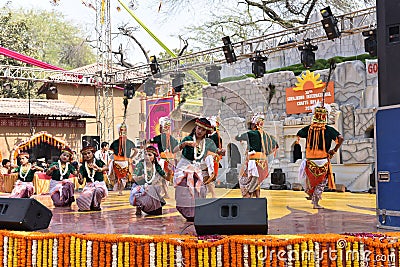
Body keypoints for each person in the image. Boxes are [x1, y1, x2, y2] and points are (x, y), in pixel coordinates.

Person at [173, 117, 225, 221]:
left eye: (203, 130)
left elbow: (216, 151)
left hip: (197, 168)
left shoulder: (208, 142)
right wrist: (185, 144)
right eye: (198, 128)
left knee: (199, 190)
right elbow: (174, 150)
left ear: (206, 131)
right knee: (185, 190)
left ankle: (196, 213)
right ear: (195, 127)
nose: (200, 131)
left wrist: (221, 152)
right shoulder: (188, 139)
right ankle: (187, 212)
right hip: (184, 167)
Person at [297, 103, 344, 209]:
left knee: (310, 181)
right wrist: (334, 150)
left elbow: (299, 133)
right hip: (322, 161)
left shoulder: (308, 129)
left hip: (310, 161)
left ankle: (311, 196)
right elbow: (341, 138)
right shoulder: (328, 129)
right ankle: (315, 202)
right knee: (321, 183)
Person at [235, 113, 279, 198]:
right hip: (263, 162)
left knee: (243, 179)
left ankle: (248, 194)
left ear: (254, 124)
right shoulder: (267, 136)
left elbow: (237, 137)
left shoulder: (251, 133)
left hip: (253, 161)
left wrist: (242, 138)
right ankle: (257, 198)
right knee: (256, 181)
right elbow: (276, 145)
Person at [129, 146, 169, 216]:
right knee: (144, 189)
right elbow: (132, 179)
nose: (147, 156)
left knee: (157, 212)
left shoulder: (156, 166)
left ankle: (150, 206)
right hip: (140, 188)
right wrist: (141, 177)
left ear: (154, 157)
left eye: (149, 155)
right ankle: (139, 205)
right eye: (145, 154)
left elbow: (167, 178)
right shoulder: (140, 165)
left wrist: (170, 172)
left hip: (151, 188)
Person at [149, 116, 179, 198]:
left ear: (161, 128)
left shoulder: (159, 137)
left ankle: (155, 193)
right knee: (165, 178)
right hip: (170, 161)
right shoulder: (173, 139)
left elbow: (149, 141)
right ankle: (166, 193)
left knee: (157, 177)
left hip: (162, 160)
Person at [76, 146, 109, 211]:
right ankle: (89, 204)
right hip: (89, 186)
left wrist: (100, 169)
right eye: (85, 154)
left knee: (98, 190)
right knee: (82, 200)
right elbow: (81, 182)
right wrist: (79, 178)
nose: (87, 155)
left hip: (99, 184)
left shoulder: (98, 162)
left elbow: (107, 167)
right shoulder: (82, 166)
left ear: (93, 153)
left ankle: (96, 205)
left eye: (89, 153)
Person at [110, 122, 137, 195]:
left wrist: (130, 158)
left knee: (122, 177)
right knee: (120, 177)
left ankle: (120, 190)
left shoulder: (117, 142)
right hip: (119, 162)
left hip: (123, 162)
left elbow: (136, 151)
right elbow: (136, 151)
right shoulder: (117, 142)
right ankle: (119, 190)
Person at [205, 115, 225, 198]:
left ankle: (213, 194)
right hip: (207, 158)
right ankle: (208, 192)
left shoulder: (216, 136)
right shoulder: (209, 136)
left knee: (210, 176)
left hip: (212, 158)